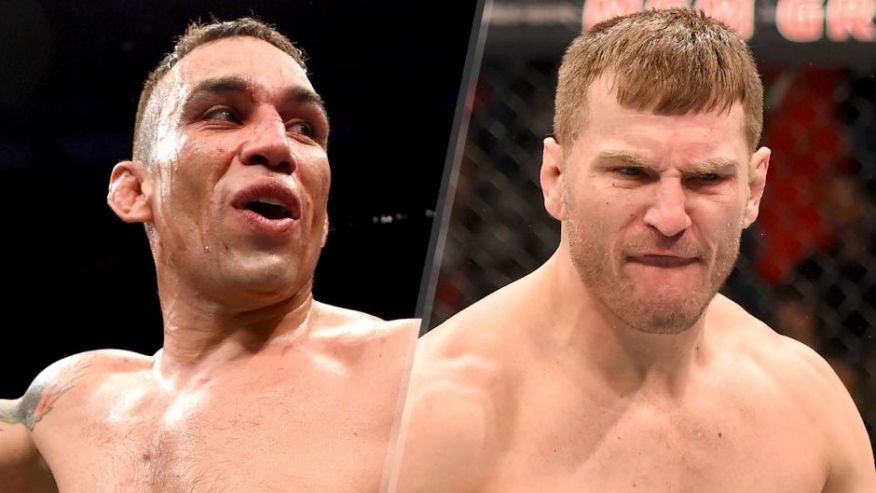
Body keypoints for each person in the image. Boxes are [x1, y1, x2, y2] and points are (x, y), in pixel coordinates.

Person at [396, 8, 876, 492]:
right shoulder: (430, 415)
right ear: (555, 178)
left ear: (753, 189)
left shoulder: (807, 407)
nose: (670, 217)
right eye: (631, 173)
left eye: (705, 178)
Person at [0, 18, 418, 492]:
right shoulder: (70, 404)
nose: (278, 145)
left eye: (305, 128)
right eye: (223, 114)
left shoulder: (413, 372)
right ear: (135, 191)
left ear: (320, 218)